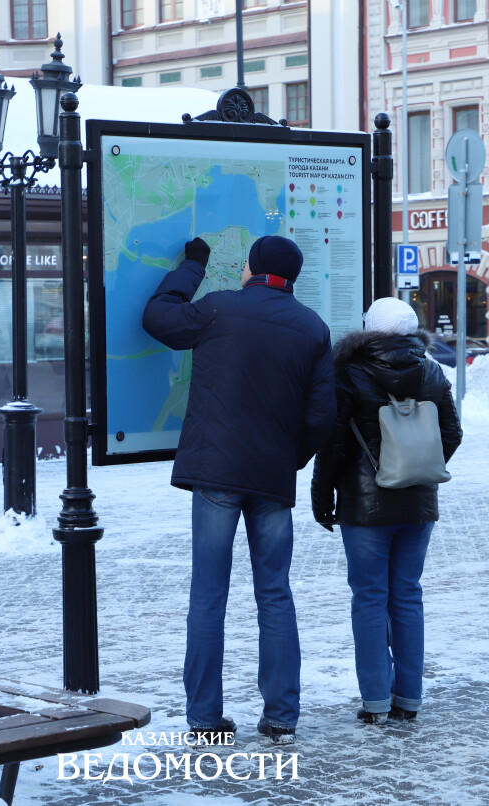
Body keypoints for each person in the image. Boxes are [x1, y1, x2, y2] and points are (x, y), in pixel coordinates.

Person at [142, 234, 336, 746]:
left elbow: (158, 317)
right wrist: (287, 460)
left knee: (208, 595)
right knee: (275, 595)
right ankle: (281, 717)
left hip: (216, 475)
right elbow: (321, 416)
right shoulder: (313, 328)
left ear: (251, 269)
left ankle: (205, 719)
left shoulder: (218, 309)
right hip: (271, 480)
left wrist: (193, 265)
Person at [310, 297, 462, 726]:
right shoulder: (432, 371)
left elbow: (333, 445)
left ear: (368, 330)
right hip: (418, 504)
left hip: (365, 508)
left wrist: (323, 499)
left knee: (370, 599)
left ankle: (376, 701)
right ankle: (408, 699)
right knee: (408, 595)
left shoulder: (349, 373)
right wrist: (419, 467)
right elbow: (452, 433)